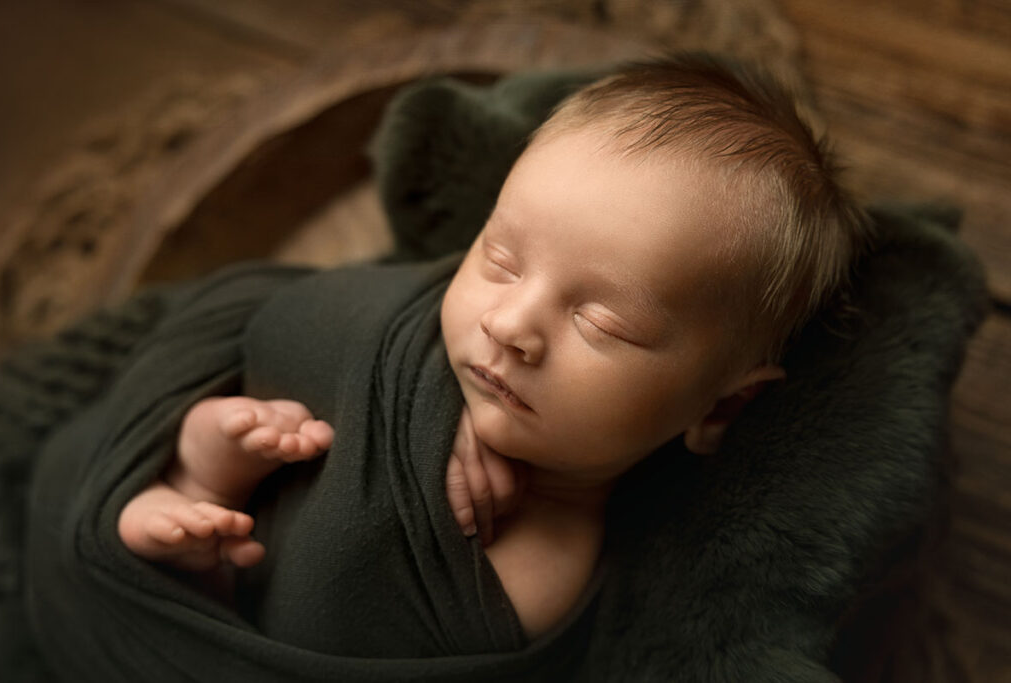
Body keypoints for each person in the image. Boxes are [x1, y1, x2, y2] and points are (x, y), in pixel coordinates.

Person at [117, 54, 870, 640]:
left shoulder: (536, 578)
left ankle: (196, 546)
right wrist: (427, 404)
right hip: (255, 463)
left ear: (724, 404)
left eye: (602, 324)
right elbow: (290, 316)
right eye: (500, 260)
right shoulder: (419, 325)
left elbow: (315, 639)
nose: (509, 324)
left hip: (222, 624)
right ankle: (196, 478)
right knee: (249, 422)